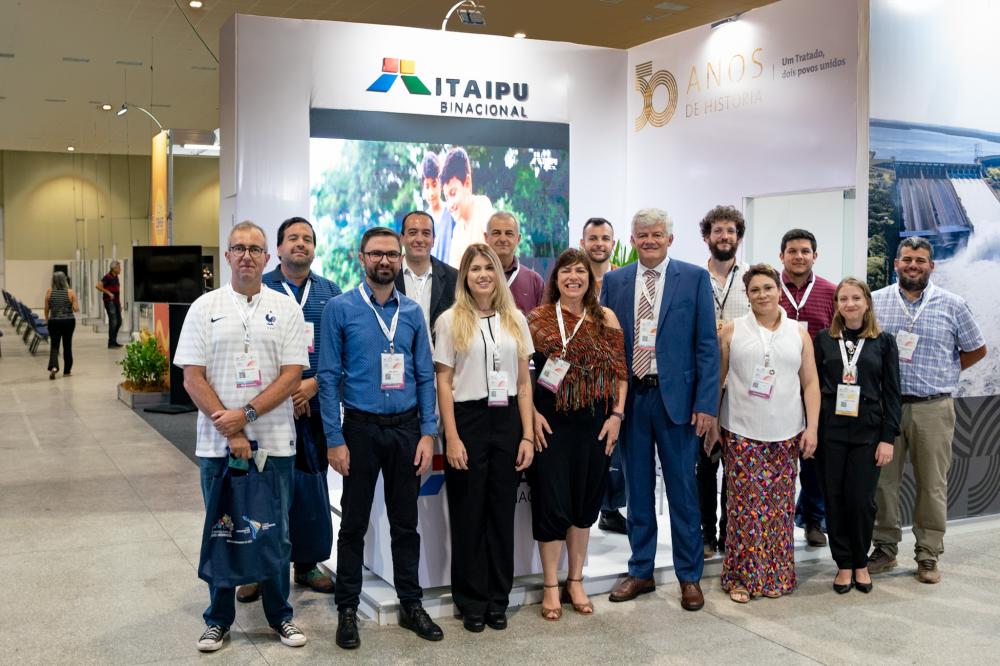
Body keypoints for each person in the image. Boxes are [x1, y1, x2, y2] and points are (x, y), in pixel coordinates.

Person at [174, 221, 309, 652]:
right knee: (222, 528)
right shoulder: (204, 307)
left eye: (255, 248)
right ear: (227, 256)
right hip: (216, 445)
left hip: (276, 443)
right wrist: (228, 425)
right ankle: (218, 619)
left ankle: (280, 616)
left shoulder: (286, 308)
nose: (247, 255)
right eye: (239, 248)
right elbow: (192, 377)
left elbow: (292, 375)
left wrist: (245, 415)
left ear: (267, 258)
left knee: (277, 532)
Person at [318, 226, 443, 649]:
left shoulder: (411, 312)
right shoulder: (340, 308)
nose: (385, 261)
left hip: (407, 429)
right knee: (353, 523)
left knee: (405, 524)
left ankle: (411, 603)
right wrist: (334, 439)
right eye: (376, 254)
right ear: (361, 257)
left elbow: (425, 375)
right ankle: (348, 609)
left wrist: (429, 433)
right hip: (360, 428)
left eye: (392, 254)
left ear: (400, 258)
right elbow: (329, 376)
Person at [601, 208, 719, 612]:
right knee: (637, 490)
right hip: (632, 400)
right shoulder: (615, 281)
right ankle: (641, 570)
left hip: (678, 403)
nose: (649, 241)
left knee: (684, 492)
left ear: (670, 239)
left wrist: (707, 404)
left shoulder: (694, 278)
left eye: (656, 235)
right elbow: (607, 345)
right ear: (632, 240)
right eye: (642, 235)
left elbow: (706, 345)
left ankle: (690, 576)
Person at [229, 217, 342, 603]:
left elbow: (341, 352)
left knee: (310, 489)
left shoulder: (331, 293)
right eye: (292, 238)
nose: (300, 244)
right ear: (276, 249)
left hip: (314, 405)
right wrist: (281, 391)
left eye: (307, 239)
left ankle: (307, 563)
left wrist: (312, 385)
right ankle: (262, 569)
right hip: (271, 407)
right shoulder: (261, 289)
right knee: (265, 492)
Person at [869, 237, 986, 584]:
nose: (913, 265)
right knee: (883, 483)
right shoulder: (876, 302)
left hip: (933, 407)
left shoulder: (953, 304)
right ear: (896, 263)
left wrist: (946, 373)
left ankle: (928, 553)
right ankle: (885, 548)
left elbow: (976, 349)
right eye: (907, 259)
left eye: (921, 260)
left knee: (932, 484)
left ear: (931, 266)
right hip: (887, 409)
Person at [434, 243, 535, 633]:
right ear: (465, 276)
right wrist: (452, 437)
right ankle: (471, 600)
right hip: (469, 420)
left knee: (501, 514)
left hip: (507, 417)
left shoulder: (516, 320)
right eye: (475, 268)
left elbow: (524, 383)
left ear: (497, 274)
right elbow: (444, 383)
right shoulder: (449, 321)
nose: (482, 275)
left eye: (488, 268)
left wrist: (527, 435)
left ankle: (498, 598)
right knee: (468, 513)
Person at [710, 263, 820, 603]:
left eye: (767, 288)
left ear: (778, 289)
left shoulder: (798, 333)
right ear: (747, 295)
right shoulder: (731, 330)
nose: (762, 295)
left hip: (786, 433)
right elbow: (718, 379)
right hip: (741, 431)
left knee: (778, 510)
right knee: (744, 509)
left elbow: (811, 383)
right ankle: (741, 578)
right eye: (755, 290)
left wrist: (812, 427)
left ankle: (776, 576)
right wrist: (713, 422)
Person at [528, 249, 628, 621]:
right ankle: (551, 584)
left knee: (585, 504)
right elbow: (524, 375)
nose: (574, 277)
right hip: (550, 423)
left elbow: (620, 373)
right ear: (555, 278)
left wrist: (617, 414)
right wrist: (532, 416)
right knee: (552, 502)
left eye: (580, 271)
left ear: (590, 278)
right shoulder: (536, 319)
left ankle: (576, 580)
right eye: (566, 271)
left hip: (595, 423)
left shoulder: (607, 318)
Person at [814, 278, 900, 594]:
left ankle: (861, 562)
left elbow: (892, 393)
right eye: (843, 299)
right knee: (834, 500)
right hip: (830, 433)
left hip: (869, 433)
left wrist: (888, 437)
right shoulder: (823, 340)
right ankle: (844, 564)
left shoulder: (883, 341)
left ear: (867, 302)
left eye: (855, 298)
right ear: (836, 305)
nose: (849, 304)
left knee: (861, 501)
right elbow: (811, 389)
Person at [698, 205, 751, 558]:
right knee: (705, 463)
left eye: (730, 231)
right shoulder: (692, 277)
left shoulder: (753, 279)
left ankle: (729, 533)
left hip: (742, 386)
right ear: (707, 237)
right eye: (717, 231)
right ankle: (705, 535)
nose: (724, 236)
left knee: (735, 466)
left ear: (738, 237)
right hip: (703, 384)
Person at [777, 228, 836, 548]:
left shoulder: (830, 292)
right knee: (778, 460)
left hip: (816, 390)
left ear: (815, 255)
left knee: (814, 459)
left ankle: (813, 520)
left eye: (805, 251)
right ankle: (778, 520)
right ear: (781, 256)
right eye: (792, 251)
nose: (799, 256)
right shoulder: (768, 290)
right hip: (775, 391)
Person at [580, 217, 627, 535]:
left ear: (613, 243)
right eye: (593, 237)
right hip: (578, 381)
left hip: (614, 378)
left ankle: (610, 510)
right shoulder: (571, 280)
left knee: (615, 449)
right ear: (583, 243)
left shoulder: (624, 282)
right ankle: (583, 514)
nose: (599, 243)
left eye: (605, 238)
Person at [394, 210, 459, 335]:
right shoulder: (389, 277)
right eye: (413, 233)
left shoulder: (454, 278)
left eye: (426, 233)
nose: (419, 239)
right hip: (400, 352)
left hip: (440, 353)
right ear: (402, 238)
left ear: (433, 240)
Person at [441, 147, 494, 266]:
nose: (450, 205)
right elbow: (454, 274)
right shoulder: (457, 231)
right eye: (446, 197)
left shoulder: (482, 207)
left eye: (453, 193)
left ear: (467, 183)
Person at [485, 211, 544, 313]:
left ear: (518, 239)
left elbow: (543, 324)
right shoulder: (474, 278)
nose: (503, 239)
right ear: (486, 237)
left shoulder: (534, 281)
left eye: (509, 233)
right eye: (496, 233)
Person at [44, 271, 79, 379]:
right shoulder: (70, 292)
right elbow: (75, 309)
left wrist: (46, 320)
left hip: (54, 321)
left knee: (54, 346)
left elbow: (46, 308)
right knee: (67, 346)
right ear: (65, 280)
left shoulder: (49, 291)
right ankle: (67, 371)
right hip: (68, 321)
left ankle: (54, 366)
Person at [421, 152, 455, 263]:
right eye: (427, 186)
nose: (431, 192)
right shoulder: (422, 220)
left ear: (440, 184)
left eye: (434, 185)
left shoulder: (452, 212)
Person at [96, 260, 123, 348]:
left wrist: (119, 304)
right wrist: (108, 293)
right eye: (118, 267)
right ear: (114, 268)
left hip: (116, 302)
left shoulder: (116, 277)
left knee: (119, 322)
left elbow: (117, 291)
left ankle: (114, 341)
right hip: (110, 302)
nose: (120, 269)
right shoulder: (107, 277)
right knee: (113, 321)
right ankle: (111, 343)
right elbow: (98, 286)